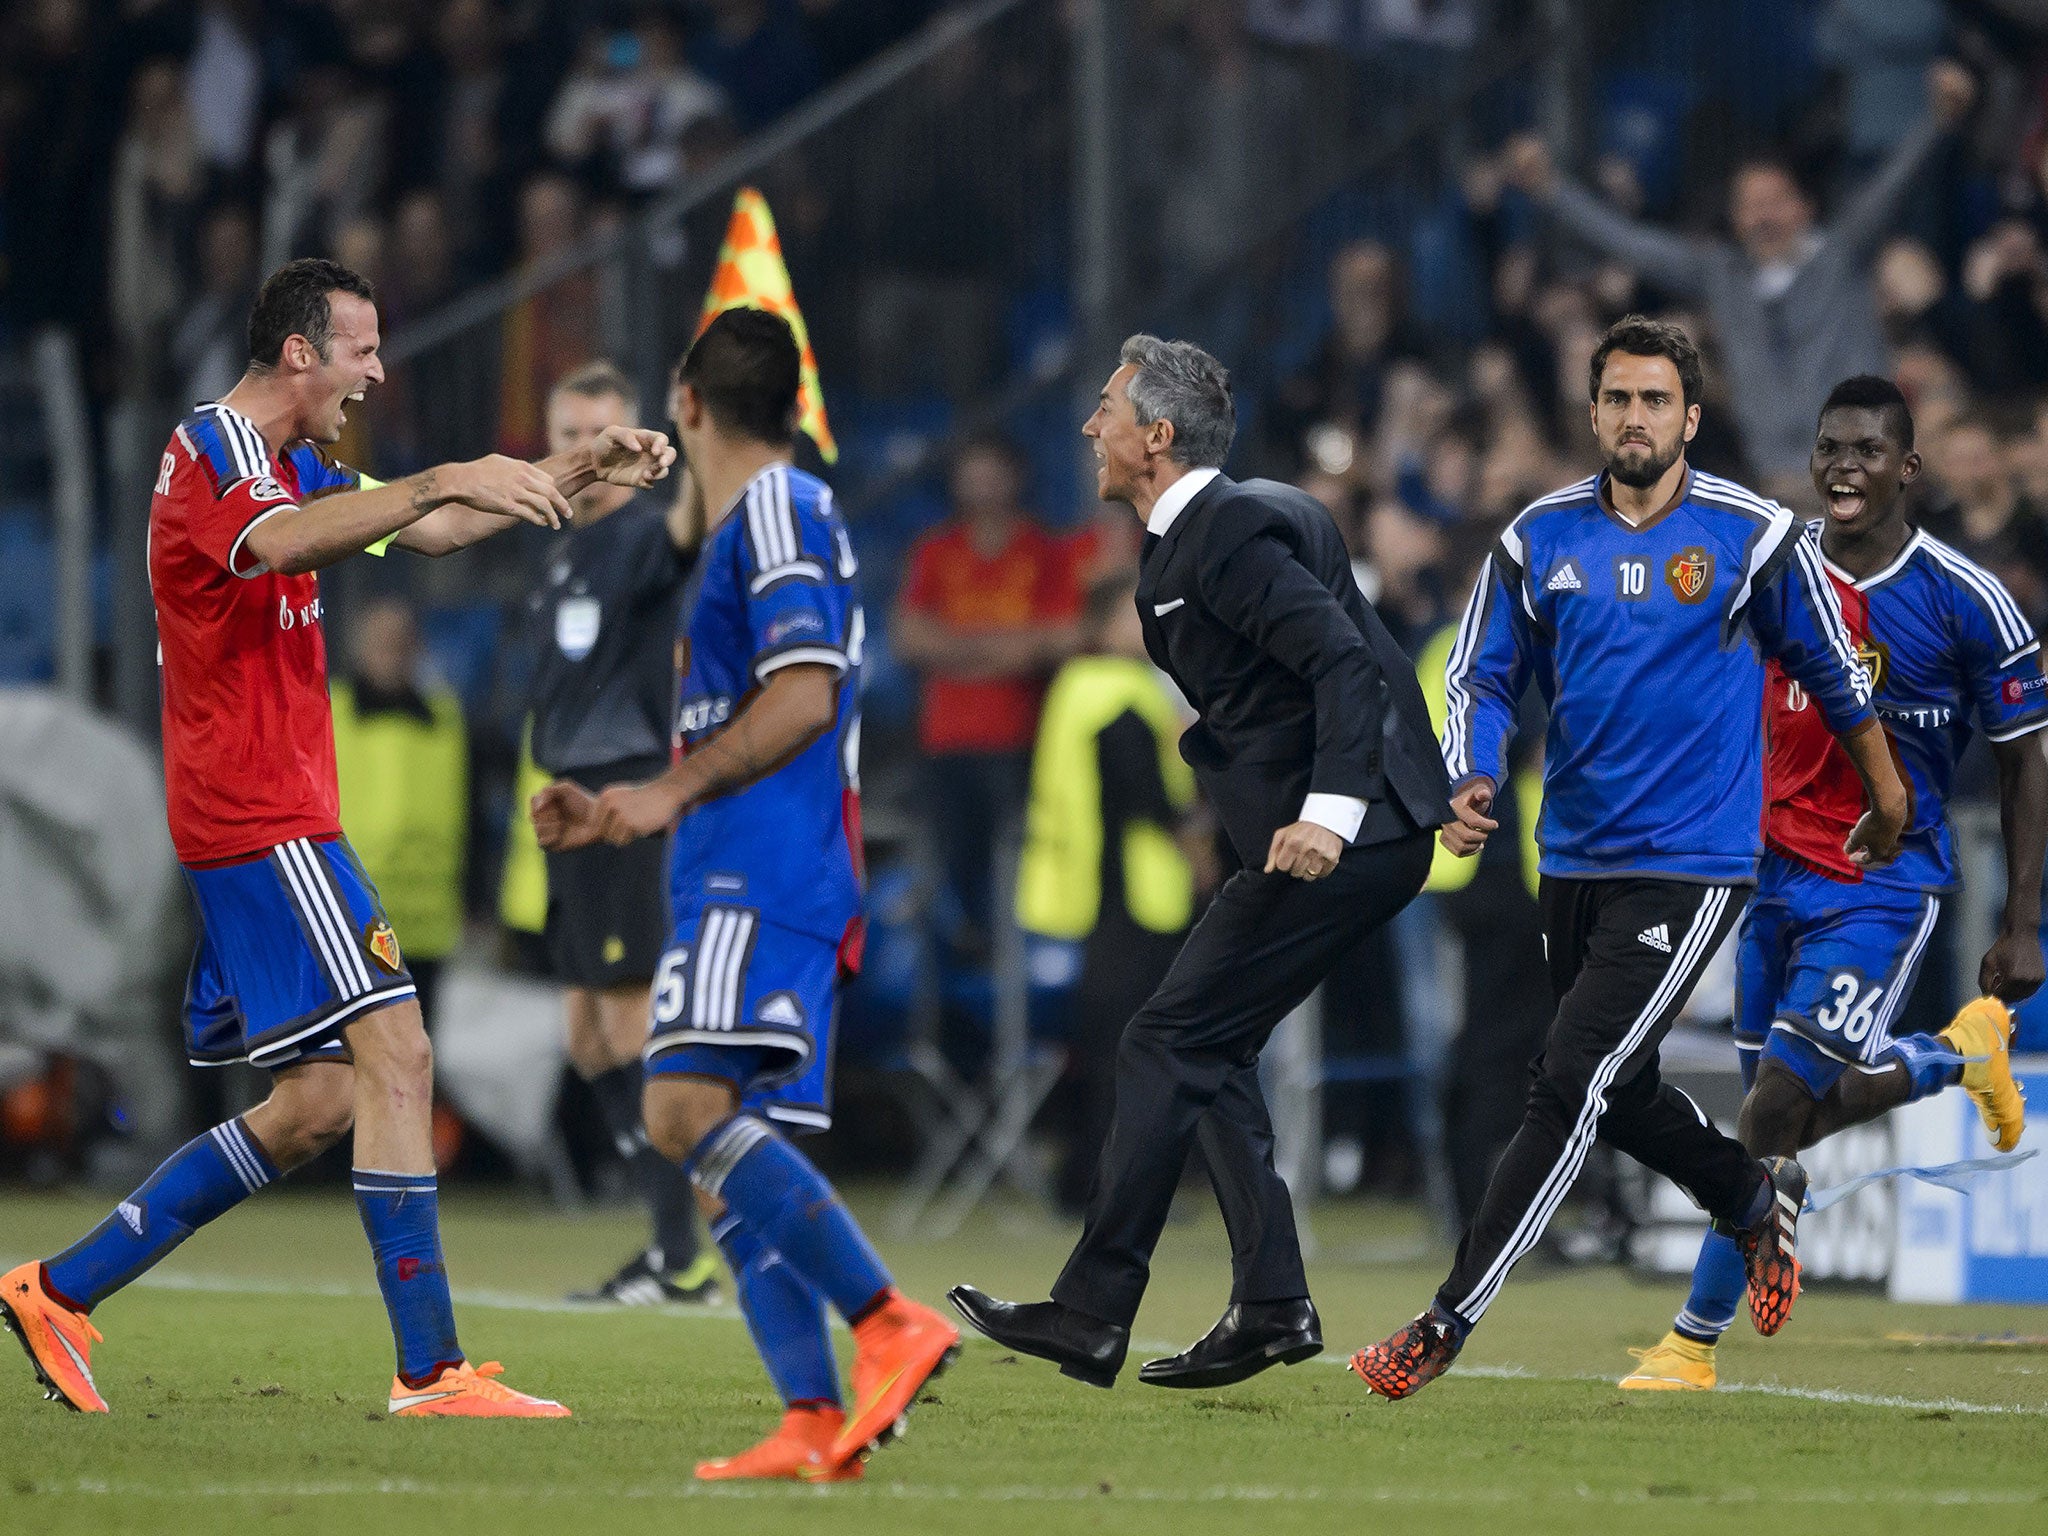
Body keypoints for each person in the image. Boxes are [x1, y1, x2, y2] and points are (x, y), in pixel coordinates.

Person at [0, 257, 674, 1418]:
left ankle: (58, 1289)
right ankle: (430, 1370)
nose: (374, 371)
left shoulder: (293, 466)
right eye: (360, 348)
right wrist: (436, 476)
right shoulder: (214, 449)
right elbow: (280, 546)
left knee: (315, 1105)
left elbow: (439, 528)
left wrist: (581, 470)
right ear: (302, 351)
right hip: (261, 813)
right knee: (400, 1058)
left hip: (270, 814)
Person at [1351, 316, 1910, 1401]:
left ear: (1689, 418)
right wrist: (1468, 775)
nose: (1634, 417)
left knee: (1564, 1077)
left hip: (1693, 858)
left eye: (1655, 401)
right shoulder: (1538, 539)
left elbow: (1836, 674)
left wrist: (1884, 795)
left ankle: (1443, 1319)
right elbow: (1478, 674)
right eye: (1616, 398)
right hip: (1573, 854)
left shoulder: (1749, 537)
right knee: (1616, 1085)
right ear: (1592, 411)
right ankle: (1747, 1197)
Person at [949, 334, 1452, 1392]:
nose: (1089, 426)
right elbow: (1345, 653)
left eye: (1104, 409)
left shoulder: (1220, 532)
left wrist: (1339, 807)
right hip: (1357, 832)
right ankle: (1269, 1303)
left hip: (1338, 841)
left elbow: (1344, 662)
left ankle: (1092, 1310)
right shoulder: (1239, 521)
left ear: (1155, 437)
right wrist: (1420, 788)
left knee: (1163, 1037)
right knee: (1200, 1047)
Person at [532, 307, 959, 1481]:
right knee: (737, 1157)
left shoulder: (775, 507)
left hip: (757, 868)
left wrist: (667, 794)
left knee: (677, 1116)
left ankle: (888, 1323)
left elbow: (804, 692)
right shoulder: (745, 525)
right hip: (760, 863)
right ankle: (810, 1421)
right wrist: (617, 804)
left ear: (687, 403)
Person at [1621, 376, 2044, 1391]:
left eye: (1864, 451)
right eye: (1827, 450)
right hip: (1761, 878)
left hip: (1881, 886)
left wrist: (2021, 915)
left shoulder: (1960, 597)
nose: (1841, 467)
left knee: (1765, 1115)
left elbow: (2025, 754)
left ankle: (1690, 1344)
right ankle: (1956, 1053)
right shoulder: (1772, 571)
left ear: (1906, 469)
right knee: (1790, 1121)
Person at [1504, 60, 1977, 490]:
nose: (1763, 217)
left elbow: (1893, 186)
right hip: (1781, 487)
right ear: (1734, 219)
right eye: (1750, 207)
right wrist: (1551, 189)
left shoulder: (1841, 254)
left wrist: (1938, 121)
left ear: (1804, 208)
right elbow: (1632, 243)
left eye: (1775, 202)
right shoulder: (1720, 275)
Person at [523, 360, 717, 1307]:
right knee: (588, 1036)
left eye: (599, 433)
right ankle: (671, 1244)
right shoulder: (560, 546)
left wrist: (694, 464)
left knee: (632, 1021)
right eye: (565, 434)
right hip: (568, 801)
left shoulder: (641, 536)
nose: (581, 452)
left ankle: (683, 1252)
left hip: (622, 800)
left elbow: (688, 529)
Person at [1016, 564, 1211, 1213]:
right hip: (1133, 895)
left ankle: (1086, 1179)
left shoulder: (1076, 686)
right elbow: (1146, 798)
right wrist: (1195, 841)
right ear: (1104, 625)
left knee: (1101, 1047)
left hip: (1087, 891)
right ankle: (1114, 1185)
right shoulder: (1122, 693)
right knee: (1131, 1047)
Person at [891, 433, 1081, 957]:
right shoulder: (934, 550)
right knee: (955, 860)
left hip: (1021, 737)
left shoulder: (1044, 549)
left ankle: (1021, 954)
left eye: (993, 468)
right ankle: (967, 945)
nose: (983, 482)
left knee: (1024, 861)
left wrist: (956, 649)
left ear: (1016, 476)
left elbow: (1062, 638)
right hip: (946, 739)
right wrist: (1008, 650)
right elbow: (908, 637)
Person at [330, 598, 468, 1029]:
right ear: (359, 650)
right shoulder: (328, 710)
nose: (392, 654)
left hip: (424, 929)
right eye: (381, 643)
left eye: (401, 643)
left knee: (416, 1055)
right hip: (347, 921)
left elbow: (468, 811)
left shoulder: (445, 717)